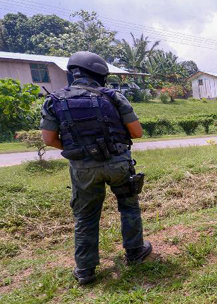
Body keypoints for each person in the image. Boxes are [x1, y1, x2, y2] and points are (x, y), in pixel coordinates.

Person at [40, 51, 152, 285]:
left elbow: (49, 139)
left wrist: (79, 151)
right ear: (100, 73)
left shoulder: (55, 100)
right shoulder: (113, 96)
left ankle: (85, 270)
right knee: (129, 207)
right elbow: (136, 132)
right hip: (118, 164)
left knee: (85, 217)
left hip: (83, 169)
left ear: (73, 72)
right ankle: (135, 251)